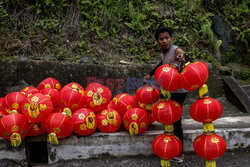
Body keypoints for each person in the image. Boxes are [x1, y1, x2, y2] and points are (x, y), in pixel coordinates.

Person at [144, 26, 192, 163]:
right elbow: (162, 63)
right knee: (170, 119)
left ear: (171, 39)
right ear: (157, 41)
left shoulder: (176, 50)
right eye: (161, 39)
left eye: (167, 38)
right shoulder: (163, 52)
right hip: (170, 90)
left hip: (180, 92)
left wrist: (182, 59)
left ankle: (180, 154)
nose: (164, 41)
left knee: (176, 120)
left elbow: (185, 58)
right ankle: (172, 148)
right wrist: (150, 74)